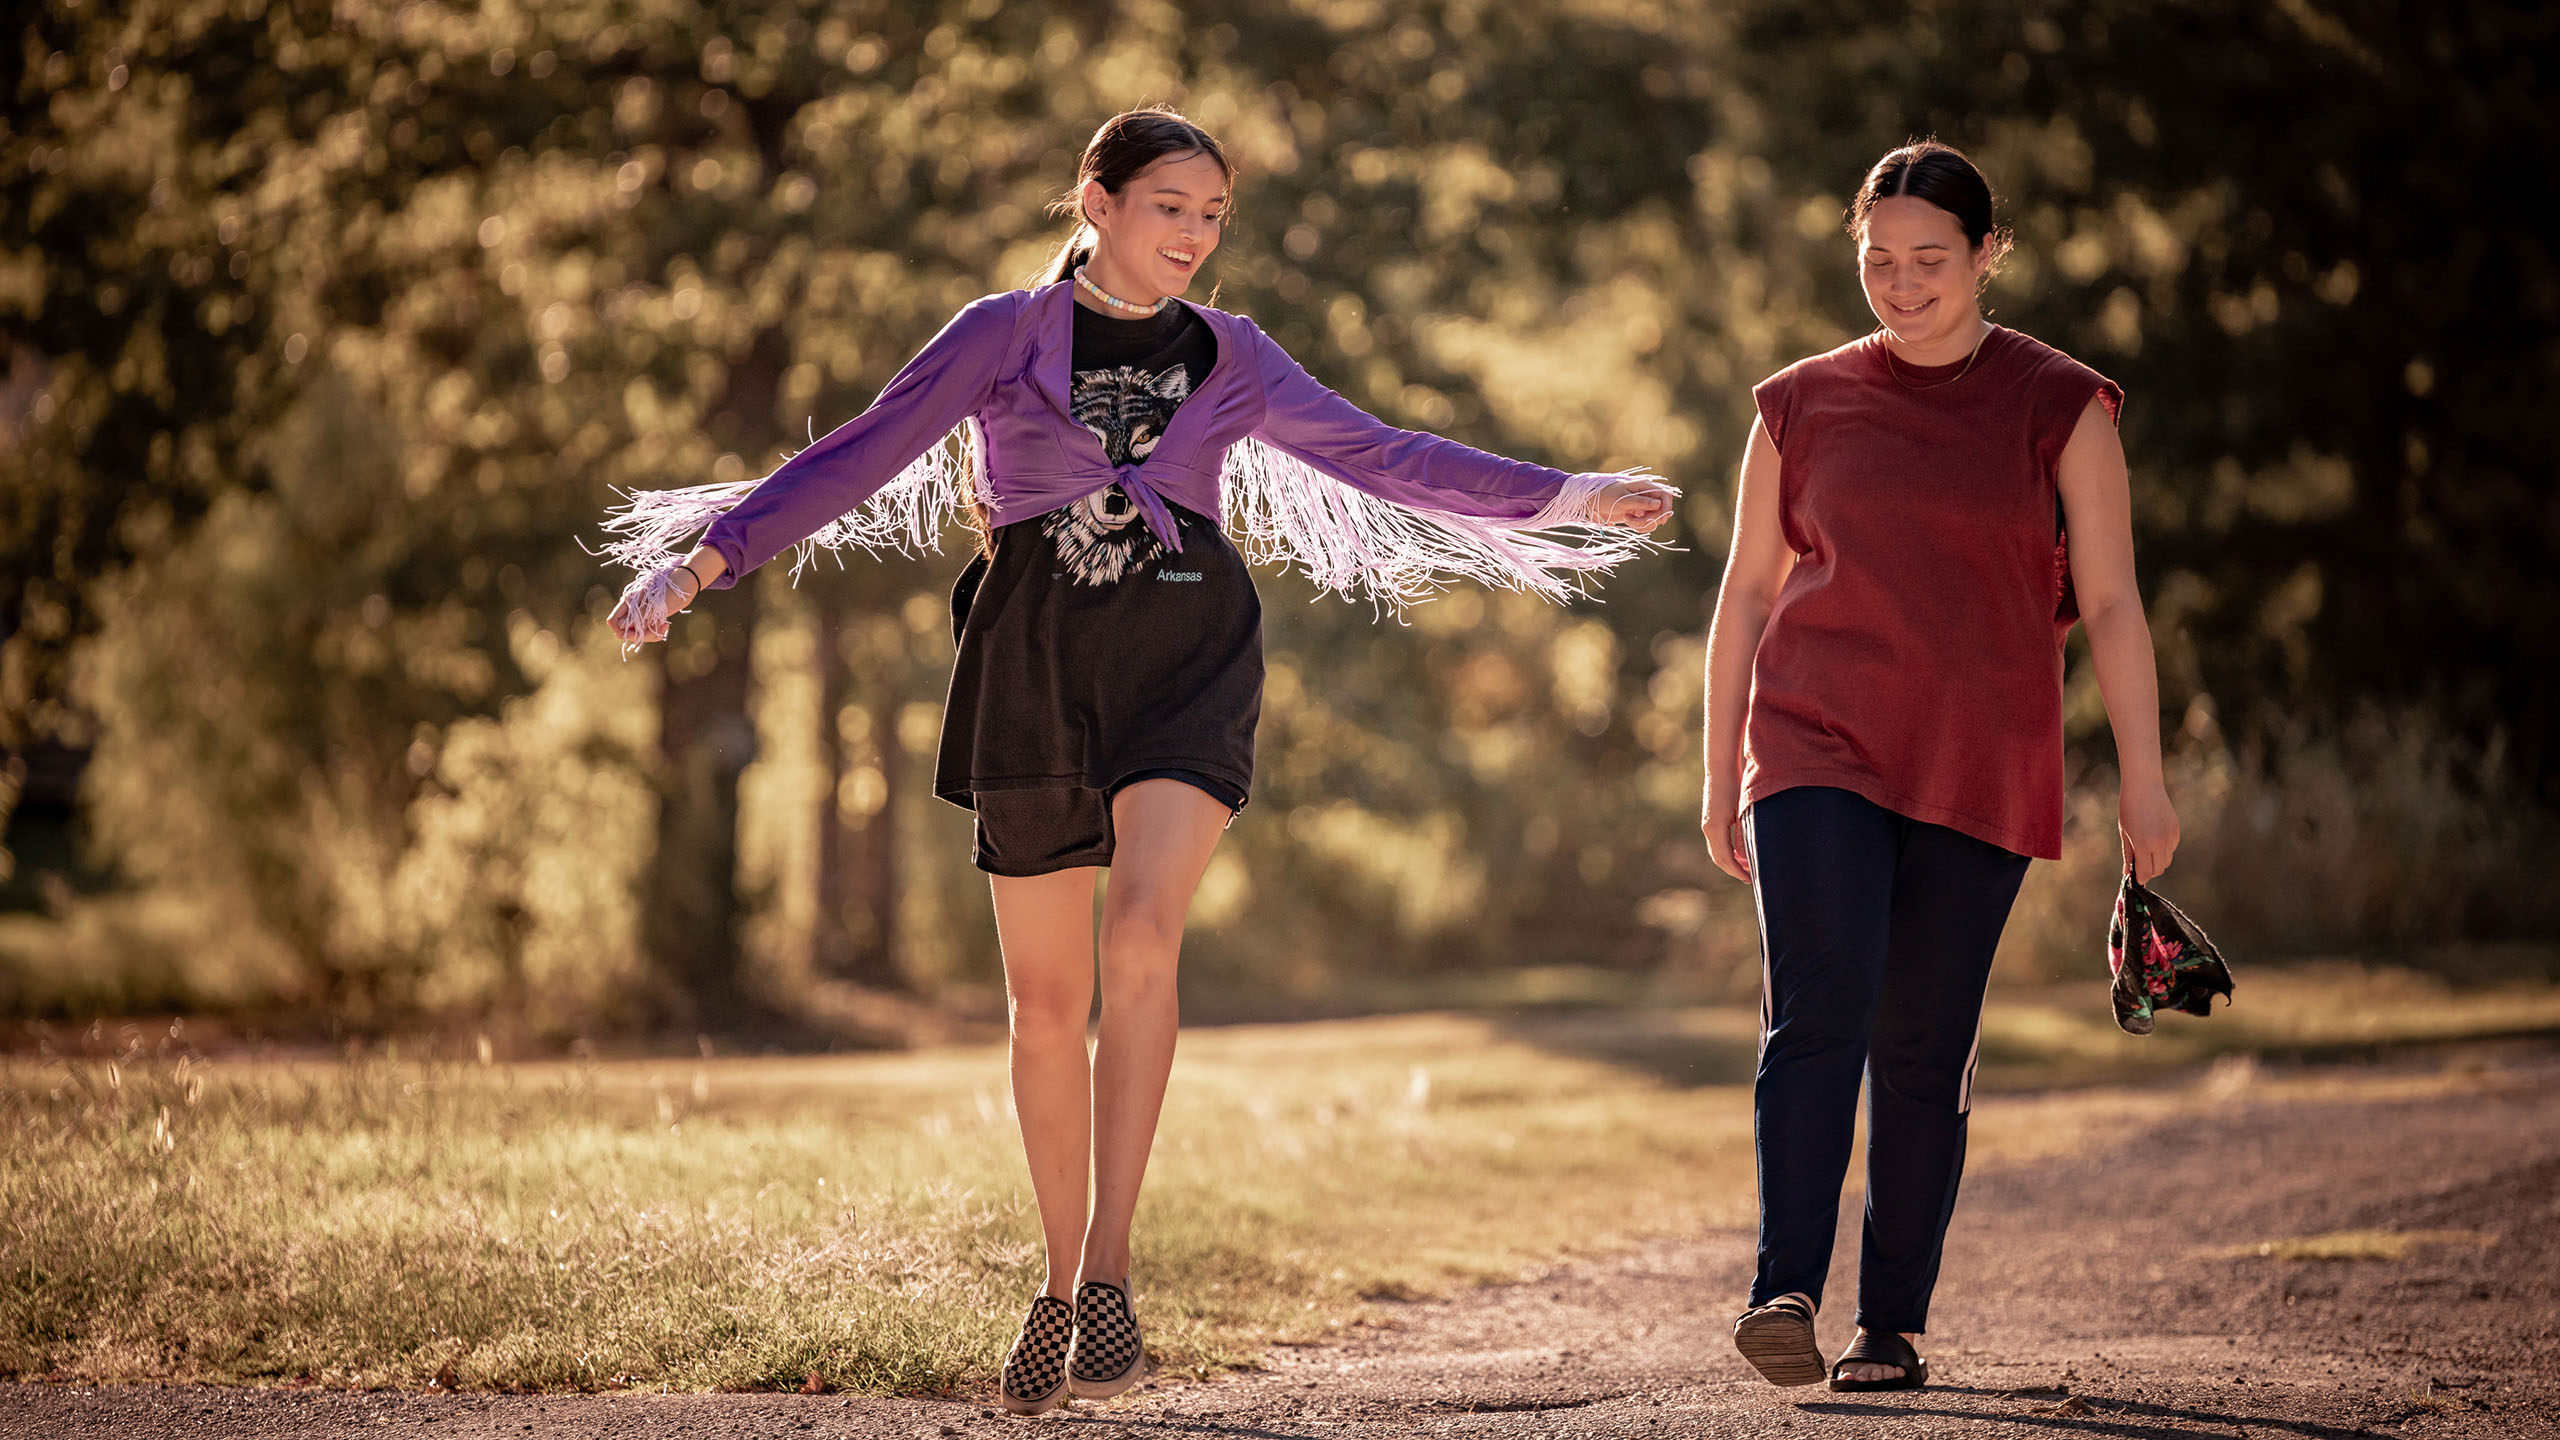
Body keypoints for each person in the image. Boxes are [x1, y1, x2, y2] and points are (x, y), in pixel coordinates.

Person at [600, 107, 1676, 1415]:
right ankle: (1057, 1289)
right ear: (1094, 201)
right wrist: (704, 558)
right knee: (1046, 1006)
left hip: (1188, 654)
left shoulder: (1237, 353)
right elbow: (858, 453)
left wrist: (1567, 494)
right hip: (1034, 665)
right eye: (1173, 206)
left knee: (1142, 941)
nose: (1197, 234)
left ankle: (1110, 1269)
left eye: (1213, 214)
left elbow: (1387, 455)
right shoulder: (1003, 334)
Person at [1702, 140, 2178, 1393]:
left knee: (1921, 1043)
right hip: (1813, 740)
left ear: (1985, 256)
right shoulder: (1796, 402)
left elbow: (2116, 605)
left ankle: (1891, 1324)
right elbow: (1747, 593)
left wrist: (2144, 779)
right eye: (1878, 259)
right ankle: (1783, 1291)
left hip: (1981, 754)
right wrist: (1718, 770)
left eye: (1928, 260)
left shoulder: (2060, 402)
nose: (1900, 283)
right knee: (1818, 1010)